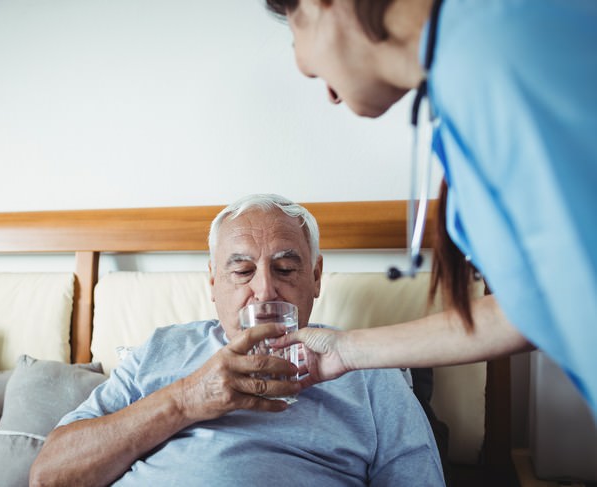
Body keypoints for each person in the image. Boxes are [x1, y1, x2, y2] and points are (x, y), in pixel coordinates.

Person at [263, 0, 597, 414]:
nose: (309, 71)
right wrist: (344, 351)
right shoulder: (465, 73)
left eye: (295, 32)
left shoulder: (501, 53)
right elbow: (536, 303)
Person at [30, 194, 445, 487]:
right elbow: (50, 476)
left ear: (316, 278)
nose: (265, 291)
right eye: (242, 271)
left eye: (285, 268)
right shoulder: (160, 349)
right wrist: (188, 399)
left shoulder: (365, 366)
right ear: (213, 281)